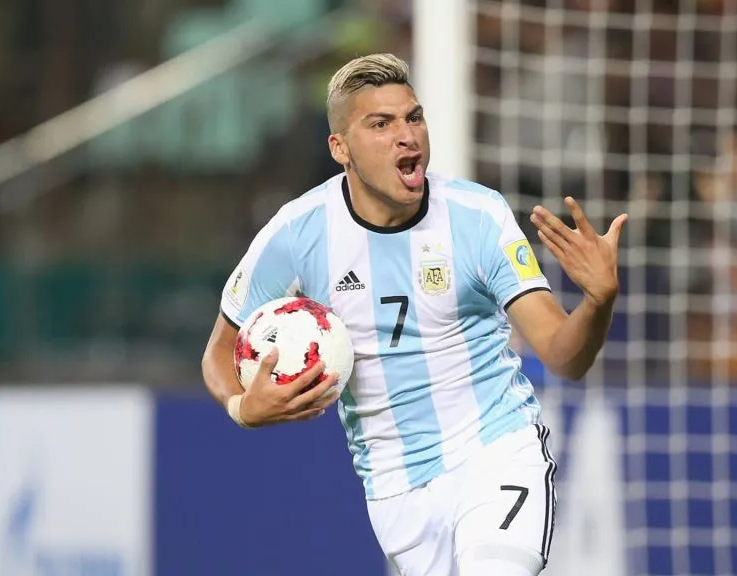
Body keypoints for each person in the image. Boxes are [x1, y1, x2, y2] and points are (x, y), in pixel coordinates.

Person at [200, 53, 627, 576]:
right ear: (341, 148)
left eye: (414, 117)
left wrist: (597, 301)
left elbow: (565, 356)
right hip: (395, 489)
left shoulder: (476, 216)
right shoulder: (297, 233)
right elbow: (220, 350)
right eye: (381, 124)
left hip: (494, 453)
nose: (408, 136)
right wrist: (243, 407)